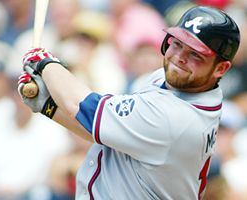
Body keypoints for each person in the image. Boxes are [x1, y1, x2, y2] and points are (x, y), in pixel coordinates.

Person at [17, 6, 240, 200]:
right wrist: (49, 106)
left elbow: (84, 107)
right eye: (177, 44)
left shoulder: (177, 119)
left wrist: (45, 62)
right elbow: (109, 135)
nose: (179, 57)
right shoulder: (173, 84)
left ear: (221, 68)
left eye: (196, 55)